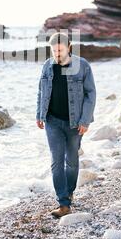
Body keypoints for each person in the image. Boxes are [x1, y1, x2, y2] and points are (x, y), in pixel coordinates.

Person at [36, 32, 96, 218]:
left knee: (71, 162)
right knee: (56, 162)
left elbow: (90, 94)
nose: (57, 53)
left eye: (60, 50)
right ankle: (63, 203)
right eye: (54, 50)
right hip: (52, 120)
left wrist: (85, 120)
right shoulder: (48, 65)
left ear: (68, 47)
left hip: (74, 123)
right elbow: (41, 90)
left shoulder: (82, 65)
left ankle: (69, 192)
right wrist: (39, 114)